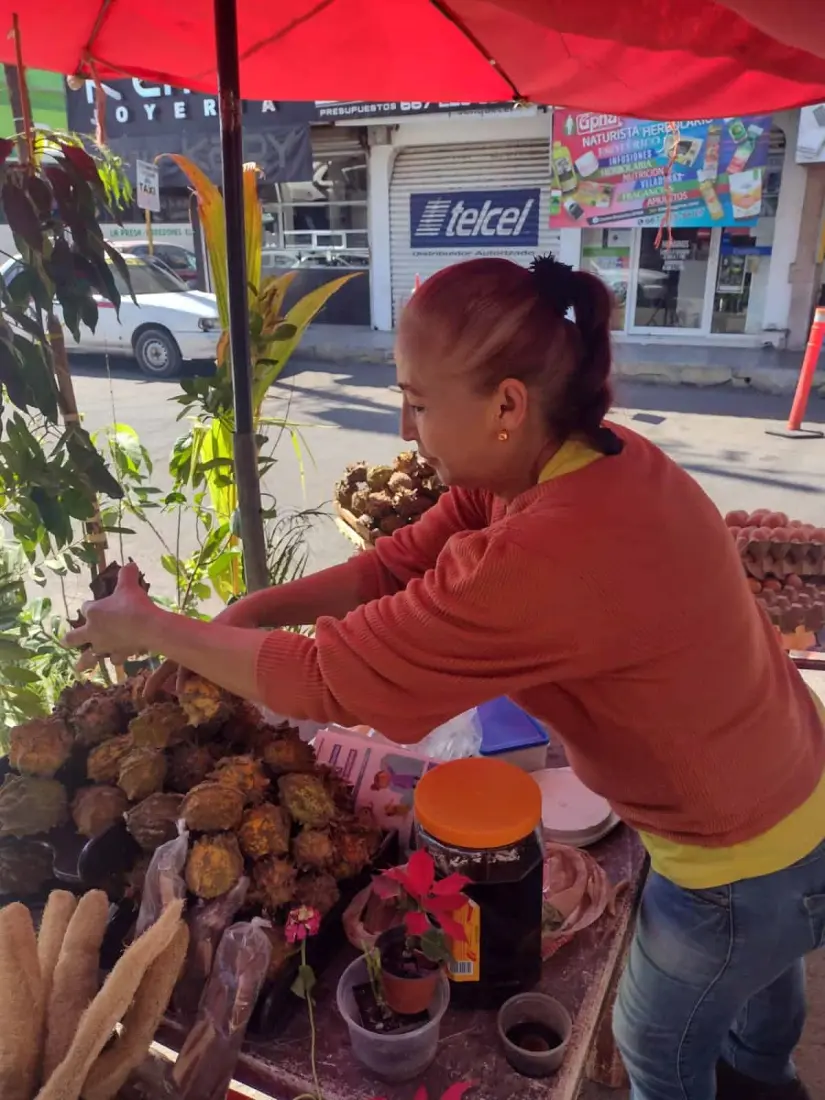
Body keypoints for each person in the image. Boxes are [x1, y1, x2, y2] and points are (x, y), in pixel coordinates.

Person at [67, 255, 824, 1100]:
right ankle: (767, 1078)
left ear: (506, 403)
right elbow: (390, 566)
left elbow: (329, 678)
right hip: (792, 784)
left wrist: (147, 627)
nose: (402, 426)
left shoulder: (551, 547)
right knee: (759, 997)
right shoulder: (565, 464)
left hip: (733, 858)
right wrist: (248, 611)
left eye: (419, 403)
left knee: (654, 1047)